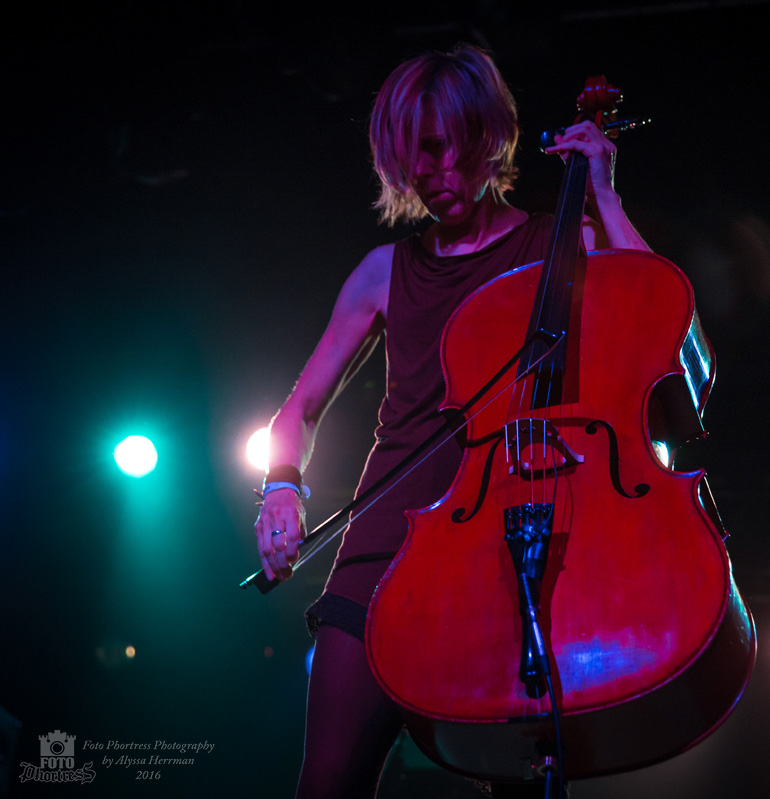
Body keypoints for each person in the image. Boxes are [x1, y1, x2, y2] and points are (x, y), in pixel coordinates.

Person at [253, 44, 650, 799]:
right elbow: (297, 409)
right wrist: (280, 488)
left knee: (518, 784)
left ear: (488, 135)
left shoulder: (555, 243)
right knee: (327, 780)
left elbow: (658, 313)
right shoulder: (384, 270)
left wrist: (603, 194)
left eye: (437, 149)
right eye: (410, 159)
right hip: (383, 543)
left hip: (507, 540)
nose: (426, 175)